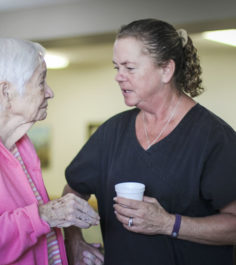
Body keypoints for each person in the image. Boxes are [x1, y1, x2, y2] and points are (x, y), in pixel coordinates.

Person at [63, 18, 236, 265]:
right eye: (116, 68)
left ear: (166, 69)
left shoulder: (213, 137)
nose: (119, 77)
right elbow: (73, 191)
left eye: (129, 68)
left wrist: (169, 224)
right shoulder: (112, 132)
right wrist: (74, 241)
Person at [0, 38, 100, 265]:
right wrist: (45, 214)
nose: (50, 92)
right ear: (6, 93)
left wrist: (70, 248)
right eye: (42, 82)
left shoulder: (17, 142)